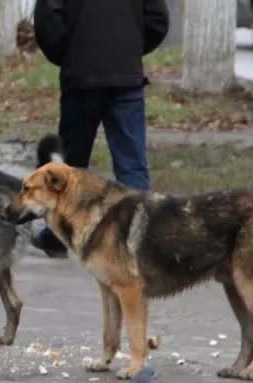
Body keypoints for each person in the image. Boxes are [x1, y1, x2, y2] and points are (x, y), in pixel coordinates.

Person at [30, 0, 170, 258]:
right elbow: (157, 19)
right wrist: (131, 46)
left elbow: (48, 20)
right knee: (131, 163)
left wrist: (69, 52)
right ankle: (142, 240)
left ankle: (58, 236)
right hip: (126, 75)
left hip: (80, 75)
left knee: (69, 164)